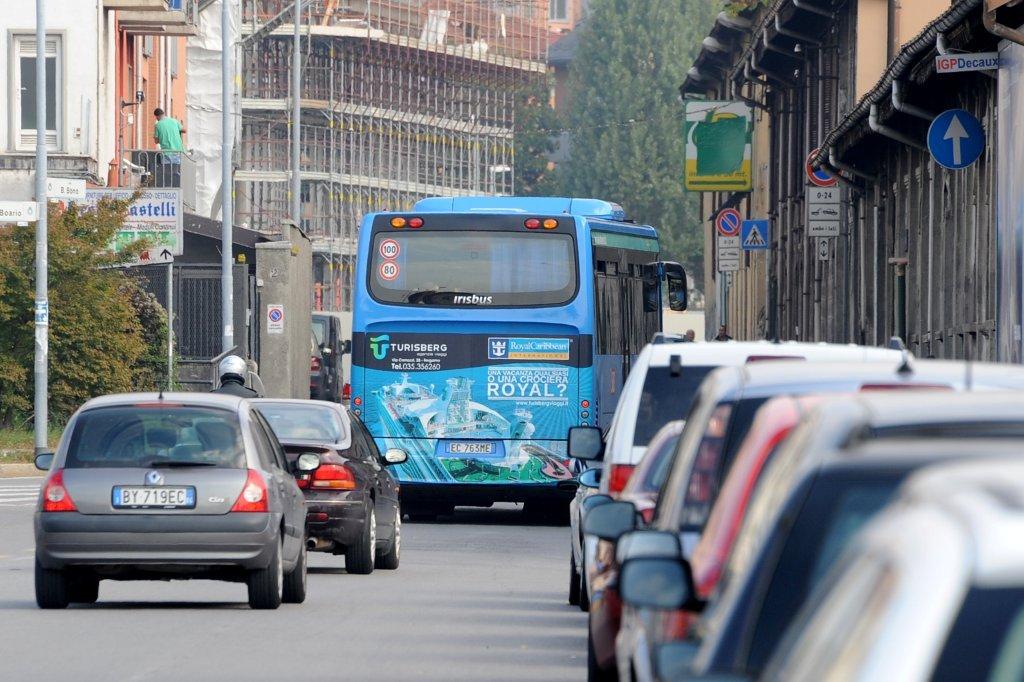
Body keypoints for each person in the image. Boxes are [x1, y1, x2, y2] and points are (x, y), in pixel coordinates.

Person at [153, 107, 185, 185]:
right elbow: (184, 130)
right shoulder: (174, 121)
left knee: (167, 173)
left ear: (156, 116)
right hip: (178, 150)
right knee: (177, 171)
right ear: (163, 114)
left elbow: (156, 141)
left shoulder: (158, 125)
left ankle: (168, 187)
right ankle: (178, 186)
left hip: (166, 152)